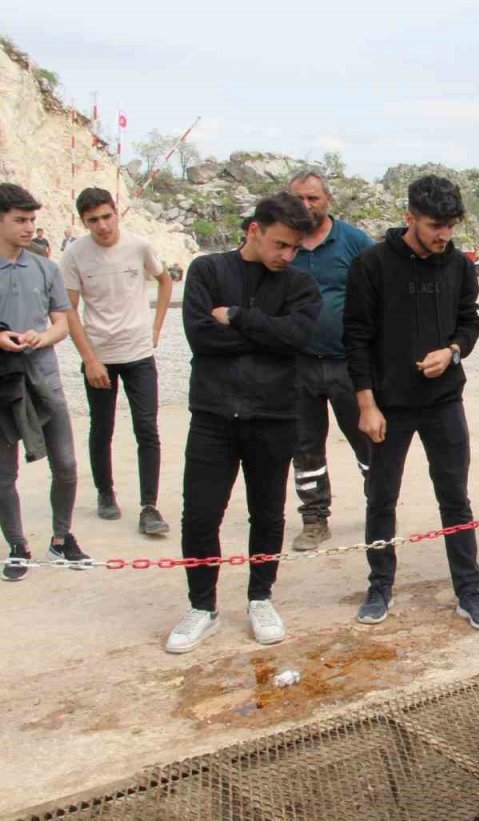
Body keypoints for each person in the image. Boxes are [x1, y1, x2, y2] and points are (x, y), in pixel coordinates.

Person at [165, 193, 320, 654]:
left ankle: (260, 597)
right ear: (254, 230)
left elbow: (297, 337)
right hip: (213, 414)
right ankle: (201, 607)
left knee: (268, 513)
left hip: (274, 416)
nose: (287, 256)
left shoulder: (300, 285)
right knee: (200, 513)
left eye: (295, 248)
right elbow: (200, 336)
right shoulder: (207, 271)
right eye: (280, 245)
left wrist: (237, 317)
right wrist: (264, 335)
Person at [344, 175, 479, 630]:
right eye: (435, 226)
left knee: (455, 498)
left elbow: (469, 324)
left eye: (451, 226)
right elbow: (355, 339)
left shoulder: (460, 267)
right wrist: (367, 405)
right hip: (388, 405)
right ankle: (379, 586)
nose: (443, 236)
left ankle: (469, 590)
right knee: (381, 497)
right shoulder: (371, 265)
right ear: (409, 217)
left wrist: (451, 352)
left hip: (443, 401)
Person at [61, 187, 173, 535]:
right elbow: (69, 310)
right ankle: (105, 492)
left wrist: (156, 328)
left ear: (117, 213)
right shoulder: (74, 255)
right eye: (93, 220)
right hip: (100, 355)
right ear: (83, 222)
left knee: (146, 427)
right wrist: (90, 359)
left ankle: (149, 506)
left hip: (138, 352)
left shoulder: (139, 246)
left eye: (107, 216)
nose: (102, 226)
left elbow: (164, 279)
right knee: (102, 427)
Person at [0, 184, 90, 581]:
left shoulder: (46, 268)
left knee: (66, 463)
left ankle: (61, 537)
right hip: (4, 379)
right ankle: (17, 546)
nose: (29, 228)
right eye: (20, 220)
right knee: (4, 472)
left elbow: (62, 323)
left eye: (32, 220)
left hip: (44, 373)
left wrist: (43, 337)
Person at [286, 172, 374, 551]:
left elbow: (380, 291)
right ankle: (314, 518)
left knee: (367, 439)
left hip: (347, 363)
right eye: (299, 199)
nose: (306, 206)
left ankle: (379, 507)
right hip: (298, 364)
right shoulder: (284, 241)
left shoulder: (354, 242)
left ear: (328, 199)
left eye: (312, 198)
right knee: (305, 447)